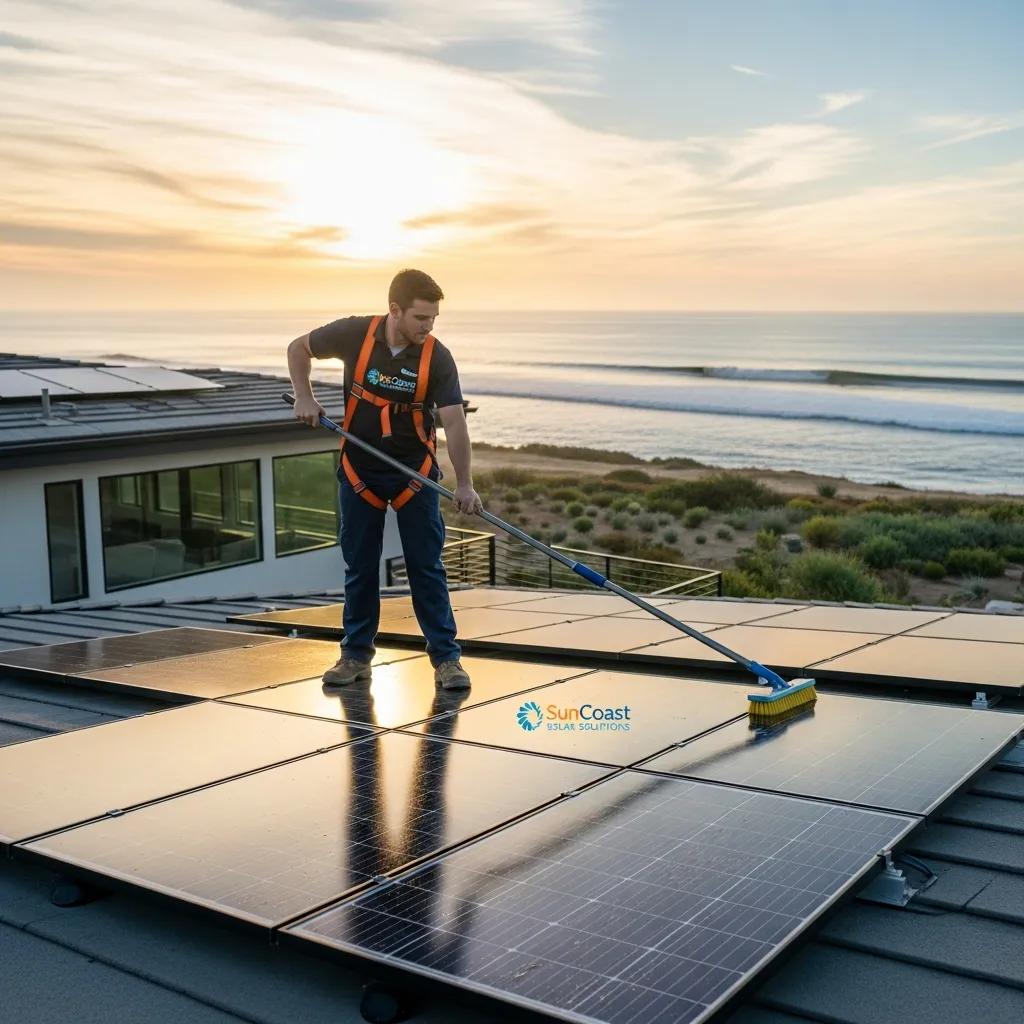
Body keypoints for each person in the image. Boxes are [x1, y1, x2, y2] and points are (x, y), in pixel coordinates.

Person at [287, 269, 482, 690]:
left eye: (433, 319)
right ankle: (355, 656)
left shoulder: (437, 357)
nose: (428, 327)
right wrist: (304, 395)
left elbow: (454, 421)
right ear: (395, 310)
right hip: (360, 472)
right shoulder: (354, 334)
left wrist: (464, 483)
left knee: (426, 568)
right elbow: (298, 348)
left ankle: (447, 660)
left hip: (415, 476)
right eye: (420, 318)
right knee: (360, 567)